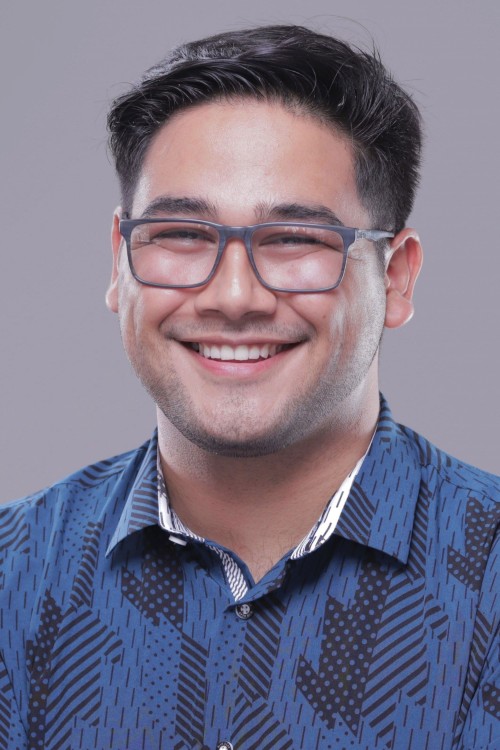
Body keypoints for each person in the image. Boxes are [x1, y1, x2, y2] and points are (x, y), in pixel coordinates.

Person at [1, 24, 498, 750]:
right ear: (119, 261)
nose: (234, 297)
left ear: (396, 277)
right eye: (182, 234)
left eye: (295, 239)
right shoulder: (13, 575)